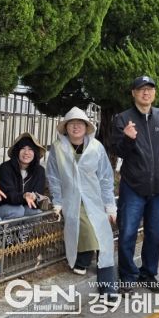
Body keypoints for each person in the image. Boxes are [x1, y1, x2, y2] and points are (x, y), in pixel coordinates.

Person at [112, 75, 159, 293]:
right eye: (141, 89)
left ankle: (148, 274)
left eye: (149, 89)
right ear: (133, 93)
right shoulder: (123, 118)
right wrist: (128, 138)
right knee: (128, 233)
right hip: (133, 186)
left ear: (154, 93)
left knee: (156, 233)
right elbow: (119, 151)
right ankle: (127, 276)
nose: (146, 92)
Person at [46, 107, 118, 304]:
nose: (76, 127)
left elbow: (105, 178)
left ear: (87, 127)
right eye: (72, 123)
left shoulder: (96, 147)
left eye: (80, 123)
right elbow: (53, 177)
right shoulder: (58, 149)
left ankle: (107, 287)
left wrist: (110, 205)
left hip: (94, 200)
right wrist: (57, 202)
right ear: (66, 127)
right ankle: (83, 260)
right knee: (90, 230)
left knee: (104, 241)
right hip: (71, 201)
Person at [0, 132, 47, 219]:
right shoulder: (5, 167)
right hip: (3, 207)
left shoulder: (40, 171)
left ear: (35, 153)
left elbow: (38, 193)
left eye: (30, 149)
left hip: (25, 208)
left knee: (36, 213)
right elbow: (8, 194)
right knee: (18, 210)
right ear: (17, 151)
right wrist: (23, 196)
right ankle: (4, 228)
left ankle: (22, 228)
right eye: (22, 148)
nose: (26, 152)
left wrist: (34, 196)